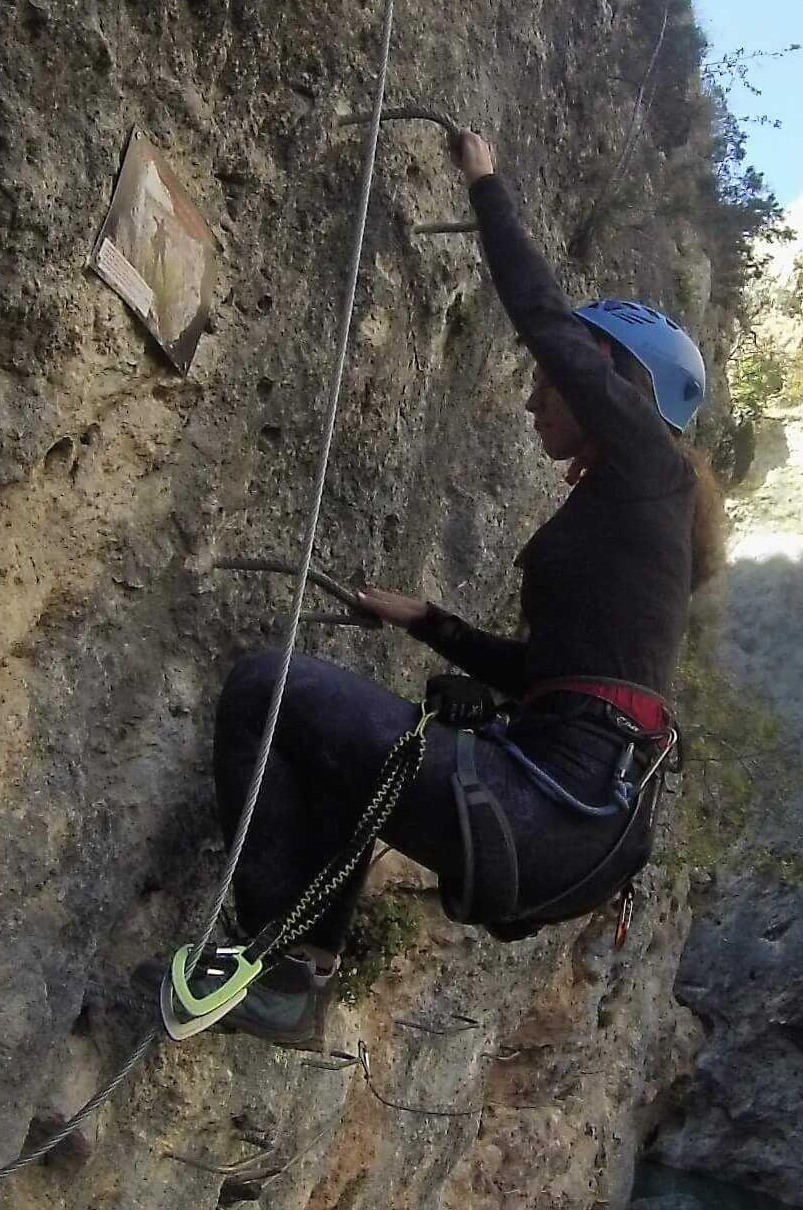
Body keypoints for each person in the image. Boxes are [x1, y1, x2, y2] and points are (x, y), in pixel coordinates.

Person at [191, 128, 723, 1047]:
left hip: (552, 804)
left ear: (616, 386)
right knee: (336, 749)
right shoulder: (633, 511)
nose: (532, 398)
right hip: (566, 818)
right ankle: (297, 977)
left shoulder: (650, 465)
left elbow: (545, 319)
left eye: (550, 383)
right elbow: (548, 677)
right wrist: (427, 621)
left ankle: (280, 970)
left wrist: (486, 182)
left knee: (265, 686)